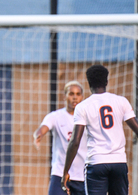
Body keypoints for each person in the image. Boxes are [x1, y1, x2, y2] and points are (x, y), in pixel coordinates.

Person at [61, 64, 138, 195]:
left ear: (88, 82)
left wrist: (65, 171)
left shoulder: (83, 107)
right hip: (118, 162)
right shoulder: (121, 101)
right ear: (106, 81)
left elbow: (75, 141)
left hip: (96, 163)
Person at [33, 81, 87, 195]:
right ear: (65, 96)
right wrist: (38, 135)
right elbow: (43, 128)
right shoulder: (56, 116)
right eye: (71, 94)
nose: (75, 98)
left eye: (78, 94)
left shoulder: (87, 118)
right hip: (60, 173)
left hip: (82, 174)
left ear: (82, 97)